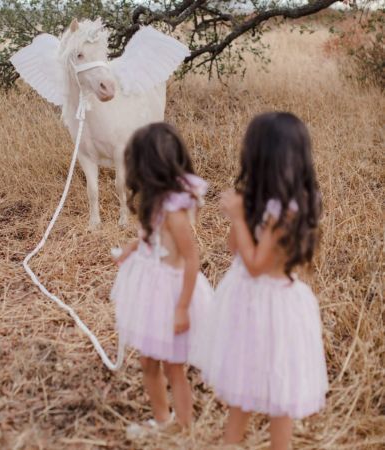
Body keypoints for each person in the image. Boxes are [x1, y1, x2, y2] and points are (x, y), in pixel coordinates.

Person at [200, 112, 328, 449]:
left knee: (278, 394)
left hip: (273, 306)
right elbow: (235, 249)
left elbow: (257, 265)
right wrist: (240, 216)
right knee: (241, 384)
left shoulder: (287, 213)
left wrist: (239, 218)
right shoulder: (265, 205)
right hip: (246, 300)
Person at [111, 122, 212, 434]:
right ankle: (162, 420)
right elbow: (149, 235)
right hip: (150, 291)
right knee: (148, 361)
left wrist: (181, 308)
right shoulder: (154, 202)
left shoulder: (174, 212)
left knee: (173, 366)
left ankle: (183, 426)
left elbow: (191, 258)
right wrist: (131, 248)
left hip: (170, 295)